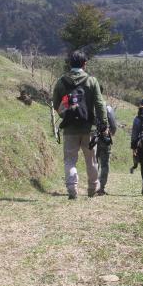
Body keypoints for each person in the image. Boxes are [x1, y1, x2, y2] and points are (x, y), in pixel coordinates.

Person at [53, 50, 108, 200]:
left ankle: (72, 189)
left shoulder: (61, 81)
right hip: (89, 128)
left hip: (70, 129)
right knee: (91, 160)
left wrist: (65, 115)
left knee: (70, 160)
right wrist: (104, 124)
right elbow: (99, 104)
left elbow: (56, 104)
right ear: (84, 64)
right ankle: (92, 189)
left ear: (70, 64)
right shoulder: (91, 81)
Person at [96, 104, 117, 196]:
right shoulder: (107, 107)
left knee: (93, 162)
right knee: (104, 164)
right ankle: (101, 188)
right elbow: (113, 125)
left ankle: (93, 186)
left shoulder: (89, 104)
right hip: (104, 139)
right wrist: (111, 133)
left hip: (91, 138)